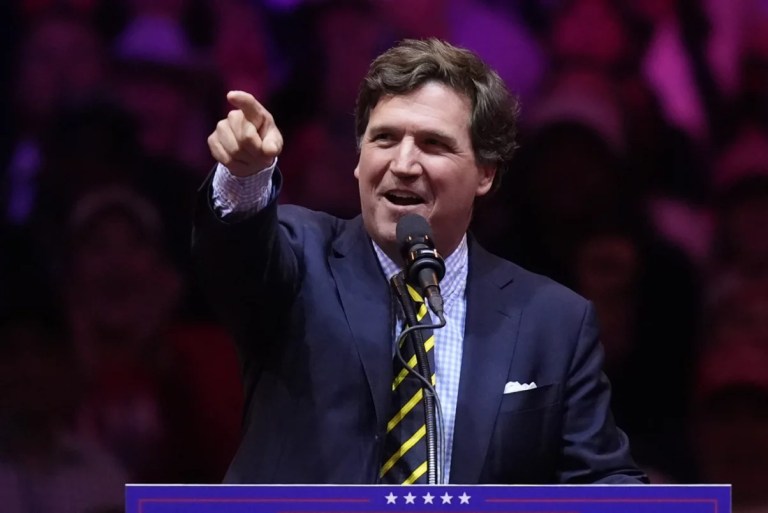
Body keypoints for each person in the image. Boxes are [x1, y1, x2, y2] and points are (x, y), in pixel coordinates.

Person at [193, 38, 647, 484]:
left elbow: (599, 479)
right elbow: (236, 264)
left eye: (433, 144)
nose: (404, 163)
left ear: (486, 172)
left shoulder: (553, 321)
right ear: (359, 157)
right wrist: (245, 176)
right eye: (385, 138)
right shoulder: (300, 256)